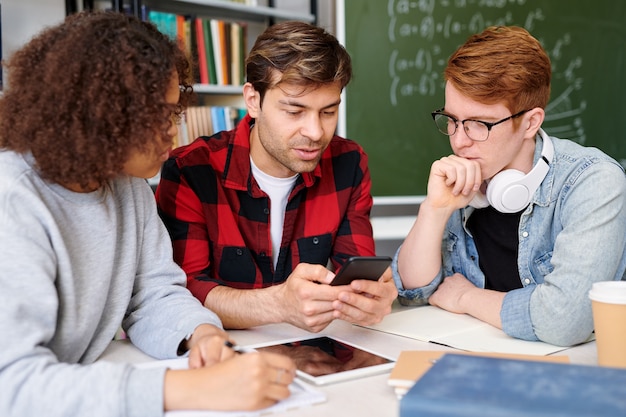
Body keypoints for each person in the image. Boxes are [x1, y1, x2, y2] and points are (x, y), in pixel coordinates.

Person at [0, 11, 296, 417]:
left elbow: (154, 293)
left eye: (173, 114)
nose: (174, 133)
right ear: (98, 114)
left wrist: (203, 334)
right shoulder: (13, 200)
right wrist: (189, 388)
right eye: (155, 116)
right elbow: (11, 387)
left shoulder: (127, 187)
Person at [156, 21, 397, 333]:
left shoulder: (348, 163)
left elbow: (355, 275)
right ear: (253, 101)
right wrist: (278, 304)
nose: (315, 132)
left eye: (328, 112)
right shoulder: (191, 169)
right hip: (223, 354)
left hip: (313, 353)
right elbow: (183, 292)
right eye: (294, 112)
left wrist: (368, 299)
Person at [393, 26, 626, 347]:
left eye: (479, 124)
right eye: (452, 119)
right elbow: (413, 292)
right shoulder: (461, 176)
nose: (459, 140)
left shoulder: (593, 181)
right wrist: (434, 210)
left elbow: (564, 321)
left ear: (530, 122)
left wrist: (467, 298)